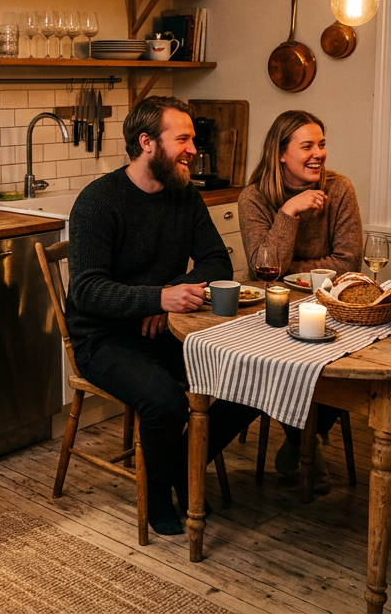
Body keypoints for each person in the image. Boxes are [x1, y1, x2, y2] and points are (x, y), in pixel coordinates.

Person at [67, 96, 261, 536]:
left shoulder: (184, 196)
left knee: (249, 381)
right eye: (183, 139)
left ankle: (176, 466)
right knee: (166, 403)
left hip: (166, 329)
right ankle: (156, 492)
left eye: (192, 138)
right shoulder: (99, 201)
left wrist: (168, 294)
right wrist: (158, 297)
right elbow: (86, 290)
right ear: (146, 143)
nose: (194, 148)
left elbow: (217, 262)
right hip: (104, 338)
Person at [238, 110, 362, 488]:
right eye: (307, 145)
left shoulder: (339, 189)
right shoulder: (255, 197)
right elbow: (267, 268)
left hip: (328, 309)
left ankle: (303, 441)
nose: (318, 154)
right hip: (270, 309)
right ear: (280, 153)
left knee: (333, 364)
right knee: (273, 365)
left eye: (321, 145)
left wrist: (295, 268)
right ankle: (303, 444)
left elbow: (347, 262)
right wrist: (289, 212)